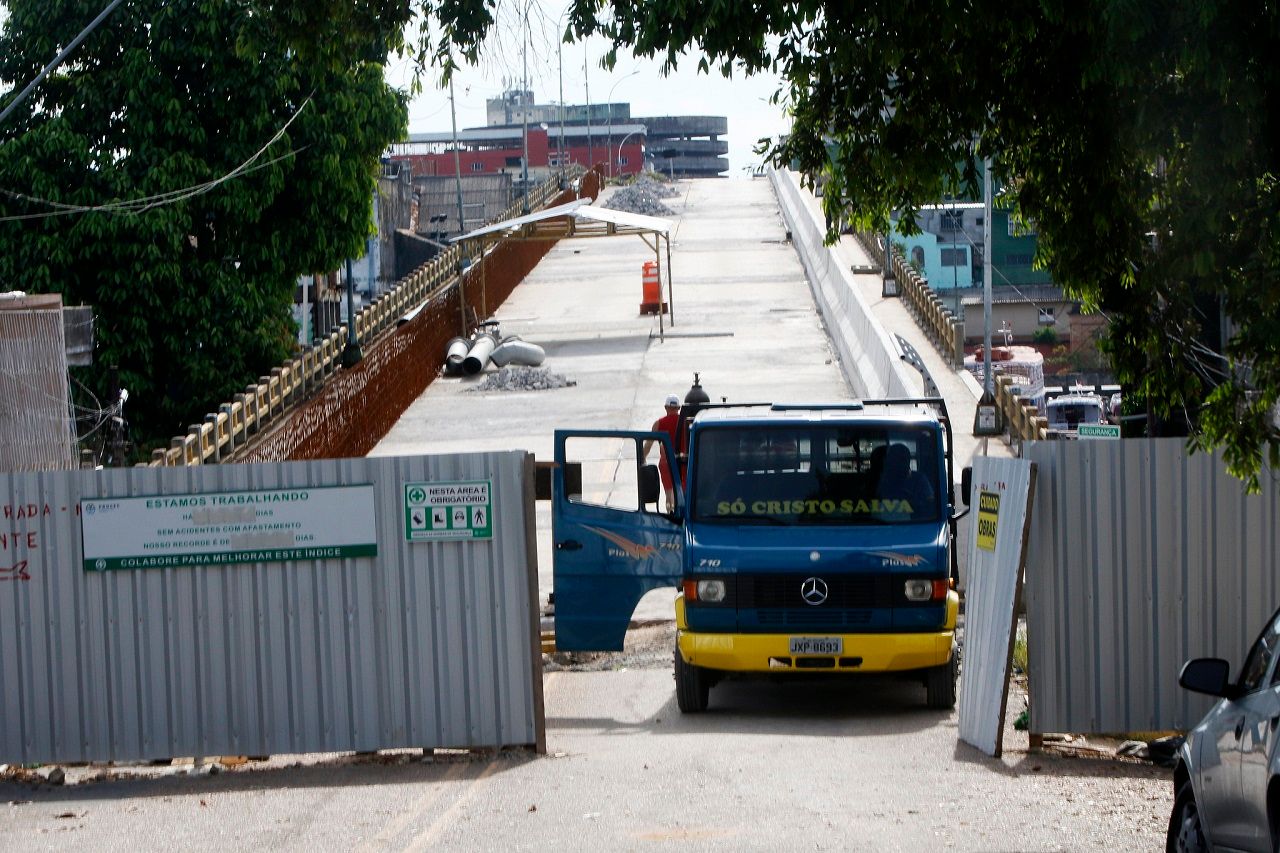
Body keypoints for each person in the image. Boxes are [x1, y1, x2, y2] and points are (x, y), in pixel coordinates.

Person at [643, 394, 681, 511]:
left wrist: (642, 458)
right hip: (683, 461)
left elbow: (648, 445)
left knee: (669, 493)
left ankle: (671, 514)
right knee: (682, 492)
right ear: (679, 408)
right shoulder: (685, 421)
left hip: (666, 461)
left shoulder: (658, 424)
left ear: (666, 408)